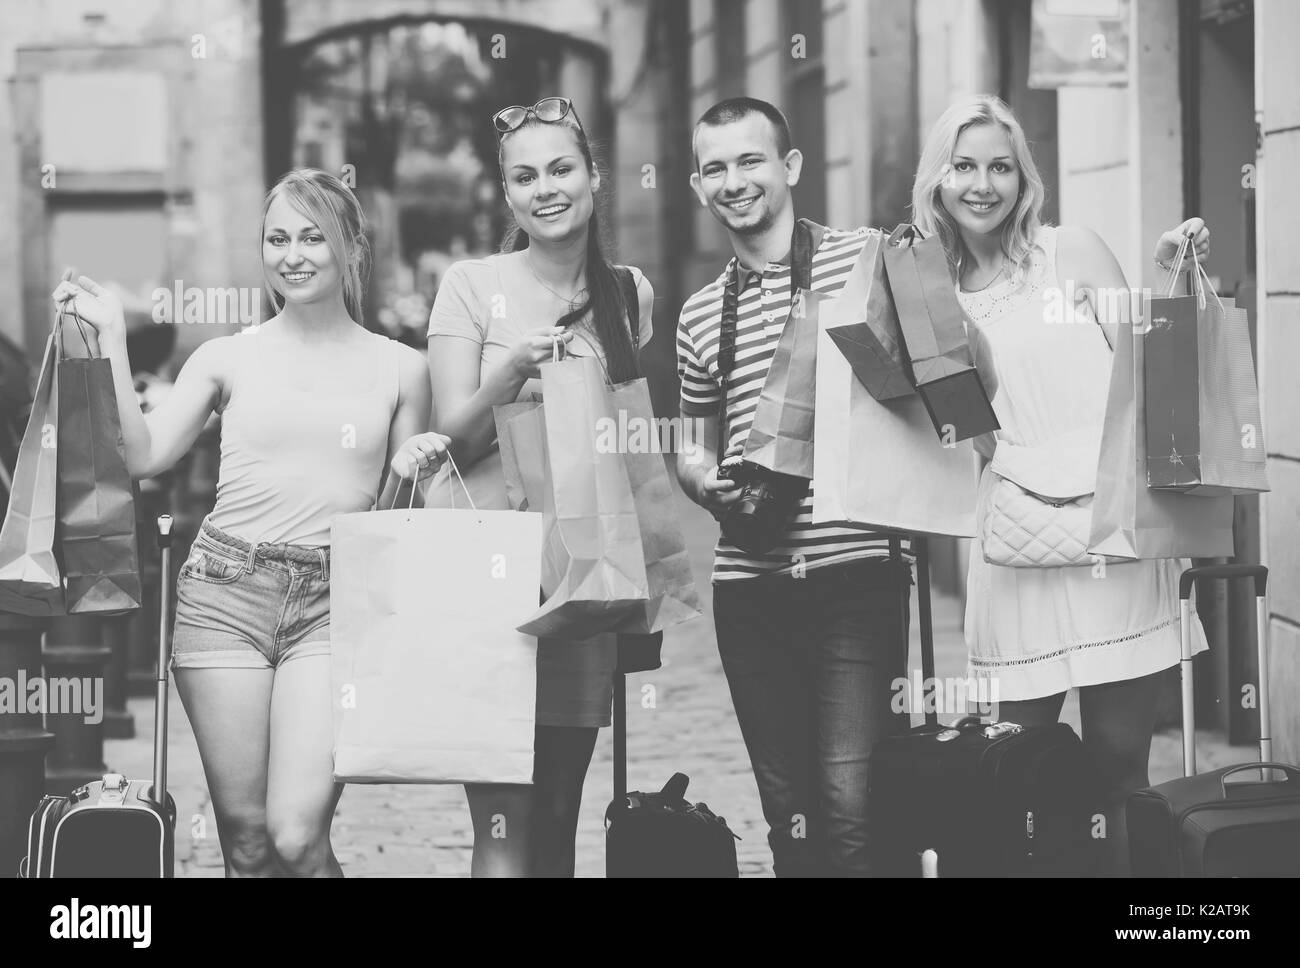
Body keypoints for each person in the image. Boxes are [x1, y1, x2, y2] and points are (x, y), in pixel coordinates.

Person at [52, 168, 443, 877]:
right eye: (277, 238)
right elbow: (142, 455)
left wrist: (411, 466)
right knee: (249, 844)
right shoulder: (227, 356)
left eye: (312, 237)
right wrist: (111, 334)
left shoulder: (401, 370)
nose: (293, 254)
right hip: (225, 592)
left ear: (351, 246)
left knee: (297, 836)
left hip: (334, 605)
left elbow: (396, 529)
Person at [910, 94, 1211, 875]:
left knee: (1119, 766)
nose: (983, 184)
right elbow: (950, 437)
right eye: (965, 166)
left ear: (1024, 178)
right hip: (1015, 538)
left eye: (1000, 166)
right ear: (938, 180)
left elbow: (1151, 367)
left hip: (1114, 532)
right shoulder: (927, 295)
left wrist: (1169, 271)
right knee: (1018, 770)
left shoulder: (1069, 249)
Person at [394, 97, 655, 877]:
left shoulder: (629, 293)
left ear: (594, 178)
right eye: (525, 176)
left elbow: (624, 449)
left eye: (561, 169)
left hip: (582, 571)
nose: (546, 188)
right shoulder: (471, 286)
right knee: (504, 826)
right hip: (490, 574)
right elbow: (449, 438)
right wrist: (512, 372)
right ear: (507, 195)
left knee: (560, 817)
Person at [675, 97, 914, 877]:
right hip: (749, 585)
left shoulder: (865, 258)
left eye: (750, 160)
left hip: (856, 573)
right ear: (697, 185)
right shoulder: (700, 314)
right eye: (716, 168)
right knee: (792, 817)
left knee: (853, 806)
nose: (734, 180)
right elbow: (692, 444)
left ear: (791, 166)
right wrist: (699, 480)